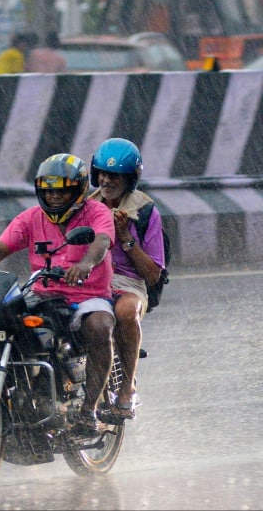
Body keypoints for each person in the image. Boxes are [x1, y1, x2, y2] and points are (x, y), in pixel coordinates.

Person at [0, 153, 116, 435]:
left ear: (78, 189)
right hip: (42, 293)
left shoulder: (97, 212)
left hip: (86, 296)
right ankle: (22, 394)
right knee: (4, 321)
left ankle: (88, 410)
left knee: (100, 327)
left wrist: (86, 264)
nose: (54, 196)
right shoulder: (30, 218)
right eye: (48, 190)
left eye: (61, 189)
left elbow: (101, 241)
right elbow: (1, 248)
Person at [87, 138, 166, 420]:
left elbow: (153, 274)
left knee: (124, 311)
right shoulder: (85, 206)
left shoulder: (146, 211)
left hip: (128, 282)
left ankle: (127, 388)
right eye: (103, 174)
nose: (107, 181)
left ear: (129, 179)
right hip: (91, 279)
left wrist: (125, 238)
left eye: (115, 176)